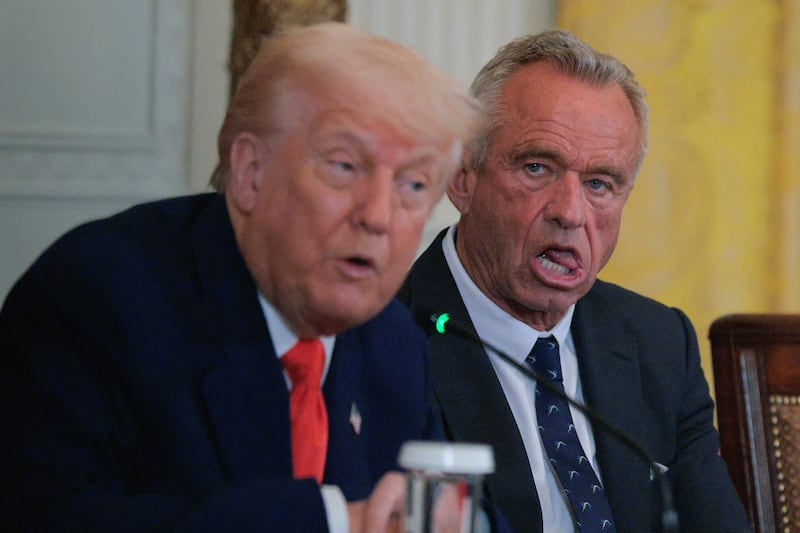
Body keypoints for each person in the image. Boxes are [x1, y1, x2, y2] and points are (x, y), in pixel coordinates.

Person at [0, 22, 484, 532]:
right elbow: (44, 516)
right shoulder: (98, 295)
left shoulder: (393, 344)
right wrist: (333, 522)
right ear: (251, 172)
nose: (379, 215)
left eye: (413, 184)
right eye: (344, 166)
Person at [398, 29, 750, 532]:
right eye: (537, 167)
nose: (569, 212)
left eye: (600, 183)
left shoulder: (658, 343)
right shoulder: (384, 340)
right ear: (462, 177)